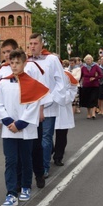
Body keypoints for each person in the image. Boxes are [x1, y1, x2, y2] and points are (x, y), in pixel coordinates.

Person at [0, 48, 49, 206]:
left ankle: (25, 186)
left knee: (25, 158)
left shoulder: (31, 83)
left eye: (17, 63)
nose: (14, 65)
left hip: (25, 128)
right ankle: (11, 193)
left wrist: (20, 124)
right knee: (10, 160)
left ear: (24, 63)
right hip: (9, 128)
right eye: (12, 62)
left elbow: (33, 105)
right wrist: (8, 121)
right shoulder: (3, 81)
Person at [28, 33, 65, 186]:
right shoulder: (27, 61)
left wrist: (51, 98)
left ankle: (43, 167)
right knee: (32, 139)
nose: (32, 46)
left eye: (35, 43)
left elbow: (61, 80)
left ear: (41, 44)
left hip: (48, 106)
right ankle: (34, 166)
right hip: (31, 107)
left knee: (45, 137)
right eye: (30, 43)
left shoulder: (52, 59)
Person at [52, 64, 79, 167]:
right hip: (49, 107)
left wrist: (64, 97)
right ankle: (50, 150)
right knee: (46, 134)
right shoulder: (45, 74)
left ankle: (58, 156)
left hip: (63, 108)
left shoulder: (67, 75)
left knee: (62, 134)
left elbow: (73, 88)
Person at [79, 54, 102, 119]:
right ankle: (88, 113)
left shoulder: (95, 66)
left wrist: (95, 78)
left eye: (89, 59)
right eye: (87, 59)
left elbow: (101, 75)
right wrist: (77, 83)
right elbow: (80, 76)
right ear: (85, 60)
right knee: (87, 99)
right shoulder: (83, 67)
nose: (88, 60)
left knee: (93, 98)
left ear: (92, 60)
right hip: (86, 85)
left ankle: (93, 113)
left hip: (94, 85)